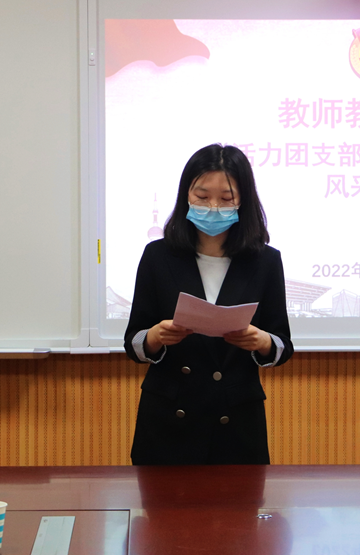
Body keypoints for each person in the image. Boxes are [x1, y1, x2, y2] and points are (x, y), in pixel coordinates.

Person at [124, 143, 294, 465]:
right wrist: (156, 337)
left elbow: (283, 344)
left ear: (243, 200)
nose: (213, 207)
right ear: (186, 195)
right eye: (202, 196)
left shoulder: (265, 261)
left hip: (236, 421)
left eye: (226, 199)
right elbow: (133, 341)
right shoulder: (158, 256)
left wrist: (261, 341)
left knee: (239, 499)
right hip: (169, 421)